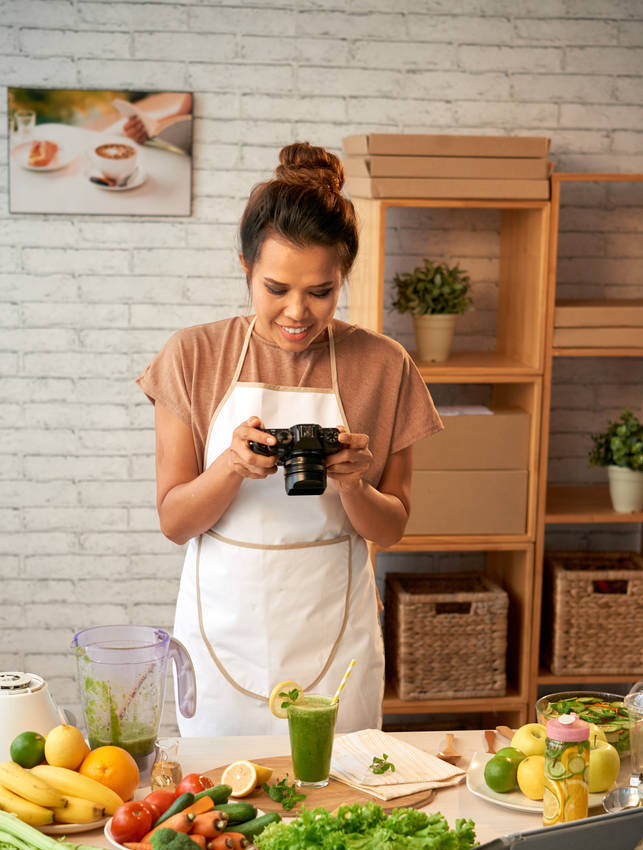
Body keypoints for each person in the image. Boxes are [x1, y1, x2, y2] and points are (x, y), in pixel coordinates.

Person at [136, 142, 442, 736]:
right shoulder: (192, 356)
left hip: (336, 640)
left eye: (321, 292)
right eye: (276, 288)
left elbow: (392, 528)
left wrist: (354, 484)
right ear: (246, 268)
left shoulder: (384, 365)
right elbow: (175, 523)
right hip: (223, 641)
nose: (297, 312)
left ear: (342, 278)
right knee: (226, 809)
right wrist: (229, 466)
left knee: (341, 805)